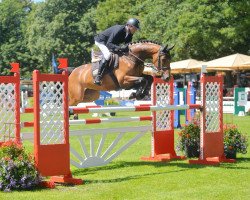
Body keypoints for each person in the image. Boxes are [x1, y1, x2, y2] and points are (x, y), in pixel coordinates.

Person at [93, 18, 140, 85]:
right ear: (130, 26)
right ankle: (98, 77)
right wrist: (120, 48)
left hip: (112, 43)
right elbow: (109, 44)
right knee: (107, 55)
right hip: (101, 41)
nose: (136, 30)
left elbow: (128, 44)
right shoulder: (119, 29)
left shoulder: (130, 33)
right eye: (135, 28)